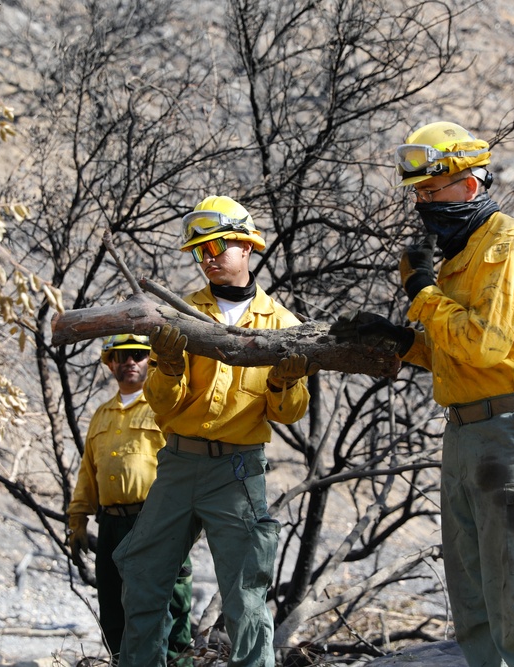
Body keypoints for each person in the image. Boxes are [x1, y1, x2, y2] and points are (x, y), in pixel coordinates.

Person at [333, 121, 514, 666]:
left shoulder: (510, 246)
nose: (422, 204)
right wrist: (401, 340)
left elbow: (485, 344)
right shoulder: (459, 258)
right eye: (417, 193)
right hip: (466, 433)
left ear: (468, 186)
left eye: (432, 190)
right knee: (475, 609)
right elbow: (454, 349)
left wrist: (420, 294)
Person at [113, 195, 316, 667]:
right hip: (179, 464)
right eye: (199, 250)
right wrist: (165, 364)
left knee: (246, 596)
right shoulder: (178, 316)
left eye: (217, 246)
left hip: (239, 471)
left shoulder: (284, 325)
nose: (207, 258)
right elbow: (163, 404)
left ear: (246, 245)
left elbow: (289, 414)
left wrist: (284, 380)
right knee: (143, 579)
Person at [68, 334, 193, 663]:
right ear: (110, 363)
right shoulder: (101, 414)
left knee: (170, 611)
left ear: (150, 359)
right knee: (113, 610)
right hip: (110, 524)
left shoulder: (166, 407)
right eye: (121, 356)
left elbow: (188, 465)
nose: (131, 361)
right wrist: (78, 520)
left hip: (156, 521)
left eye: (139, 354)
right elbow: (87, 472)